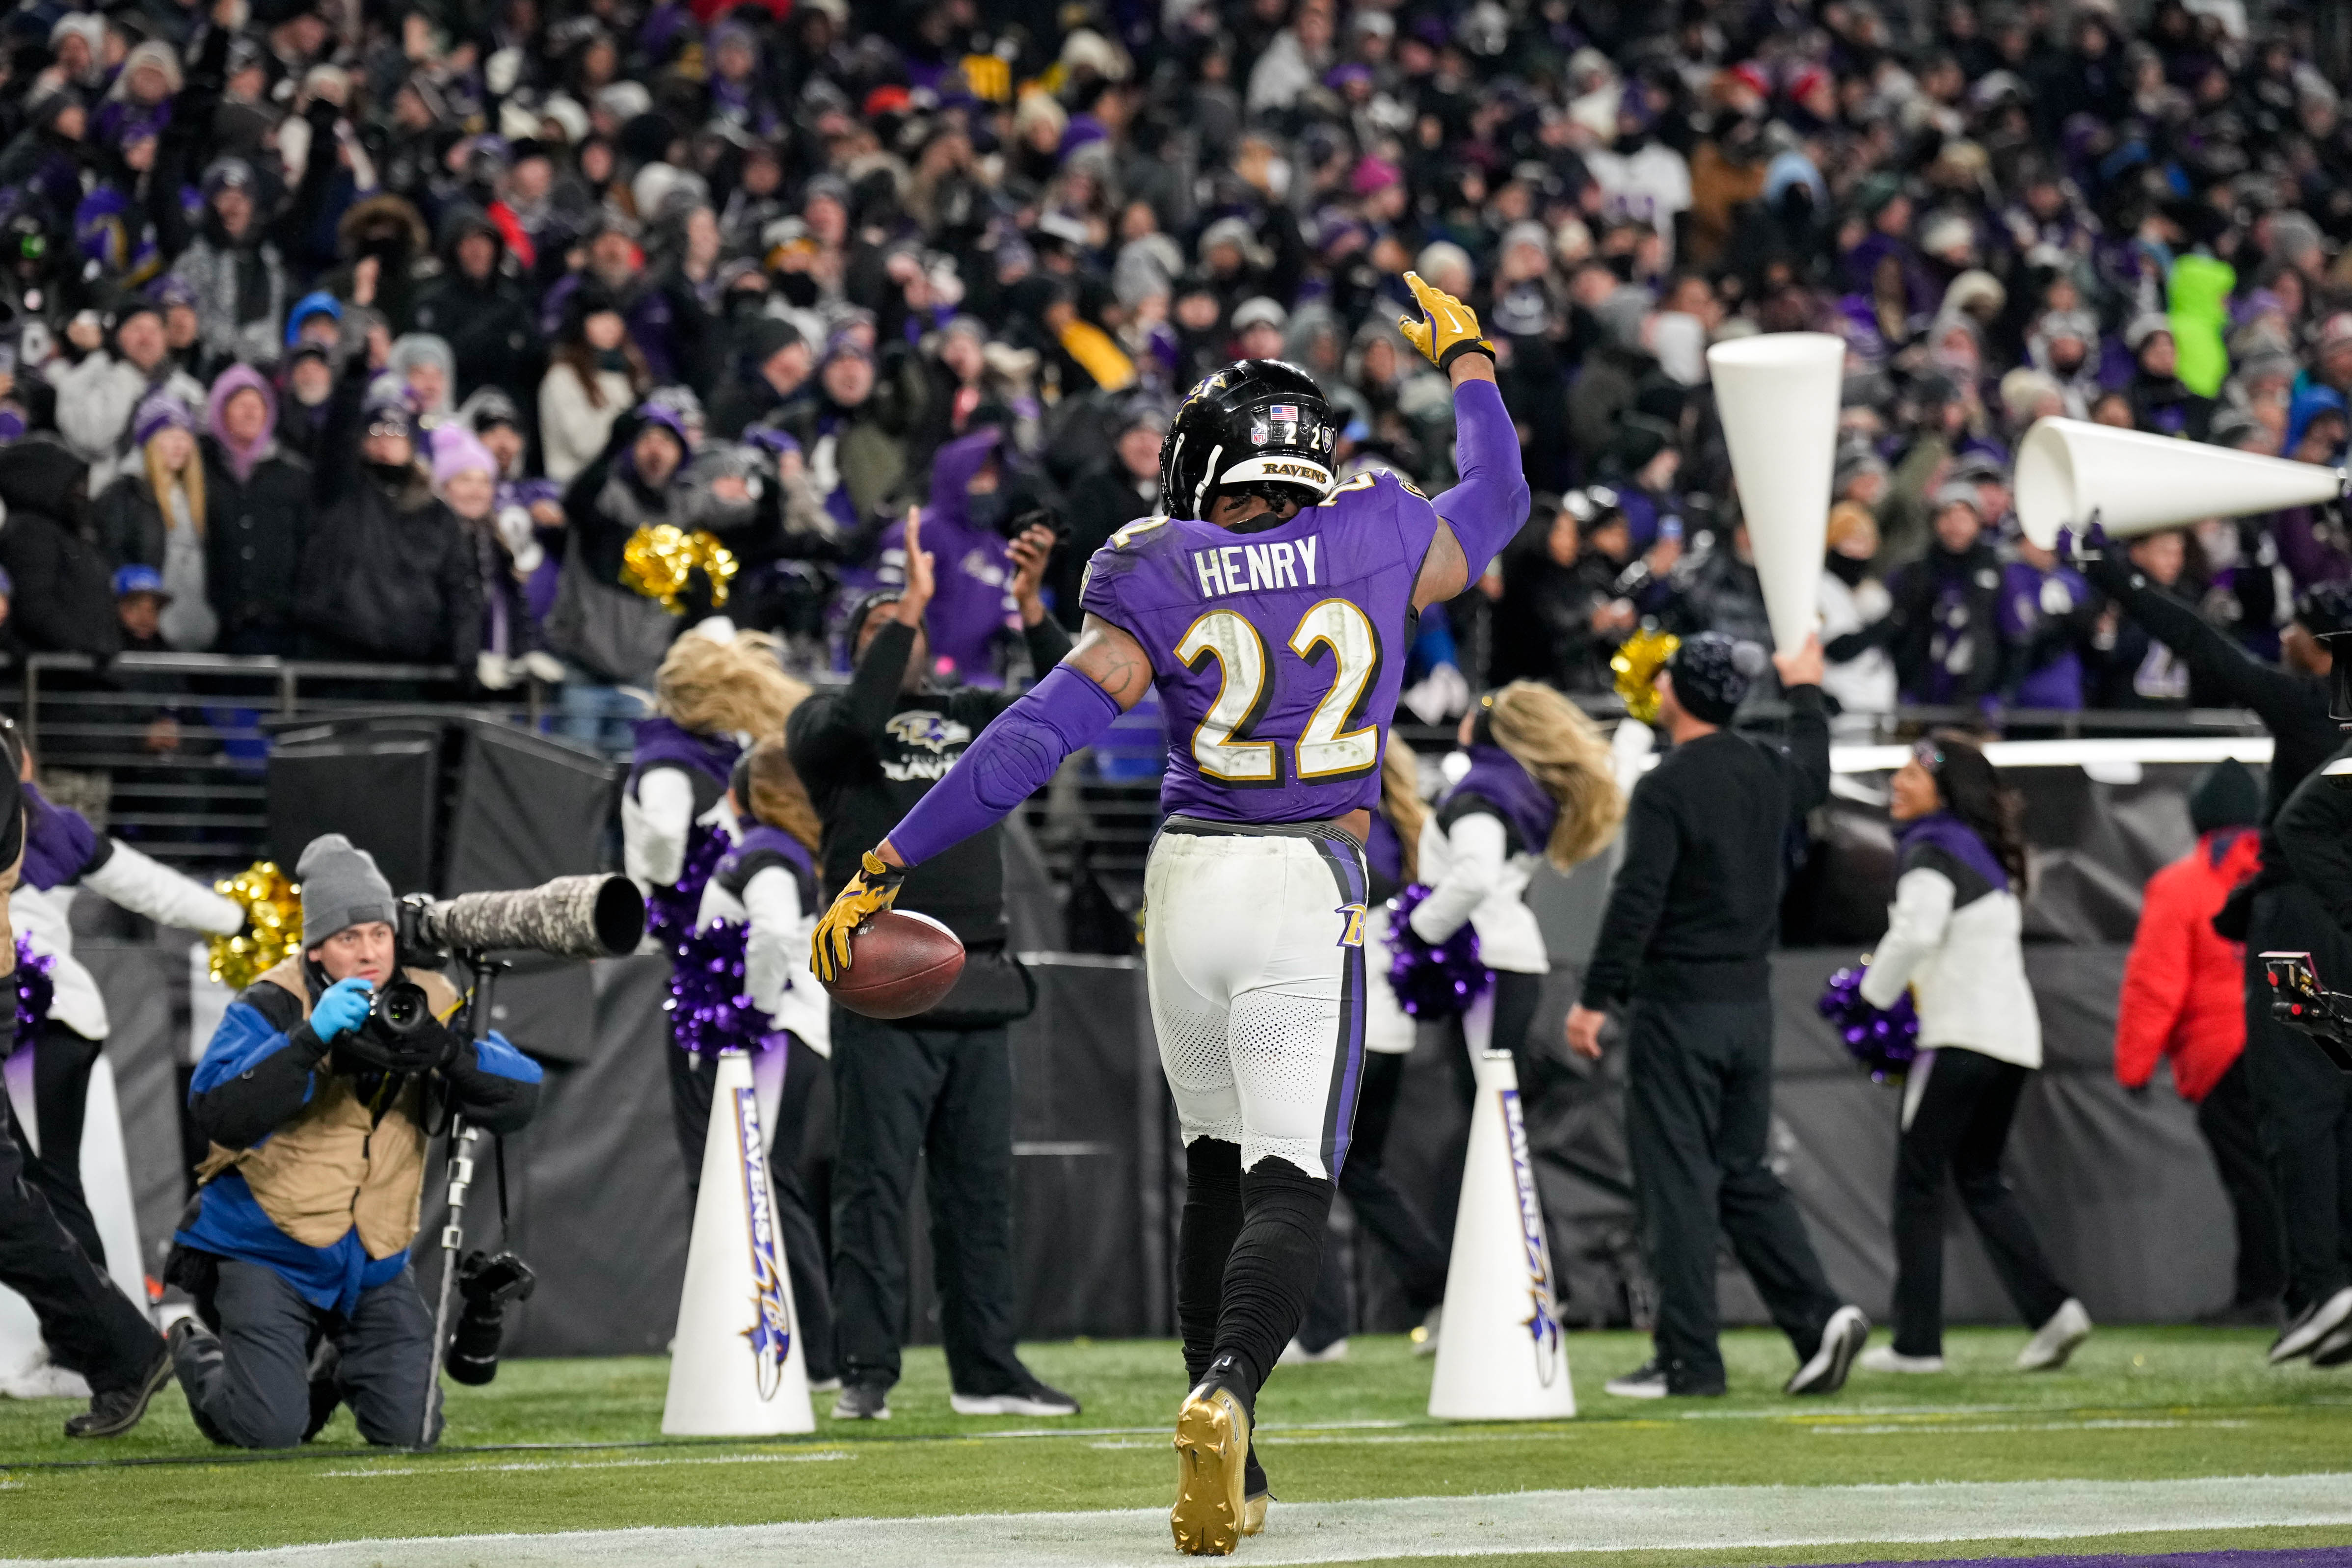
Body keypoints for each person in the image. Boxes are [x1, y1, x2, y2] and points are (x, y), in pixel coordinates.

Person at [806, 272, 1530, 1554]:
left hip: (1187, 878)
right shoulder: (1378, 527)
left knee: (1209, 1160)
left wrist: (885, 860)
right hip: (1310, 877)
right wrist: (1470, 360)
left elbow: (1037, 736)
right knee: (1290, 1177)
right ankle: (1230, 1389)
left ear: (1206, 465)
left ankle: (1236, 1467)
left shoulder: (1156, 563)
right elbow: (1504, 502)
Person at [785, 506, 1073, 1425]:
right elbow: (858, 712)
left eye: (908, 624)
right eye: (879, 629)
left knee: (980, 1194)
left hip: (979, 981)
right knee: (872, 1187)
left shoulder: (971, 715)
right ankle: (865, 1369)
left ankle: (986, 1371)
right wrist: (908, 603)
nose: (899, 635)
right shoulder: (826, 725)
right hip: (879, 989)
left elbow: (1067, 705)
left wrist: (1031, 608)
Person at [1567, 630, 1871, 1401]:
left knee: (1678, 1183)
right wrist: (1805, 689)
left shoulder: (1670, 784)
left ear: (1677, 692)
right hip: (1751, 1007)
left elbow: (1638, 898)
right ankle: (1821, 1317)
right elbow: (1815, 772)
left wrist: (1595, 996)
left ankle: (1690, 1360)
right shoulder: (1768, 769)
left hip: (1679, 1008)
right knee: (1744, 1174)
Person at [2070, 530, 2351, 1363]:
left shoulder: (2306, 705)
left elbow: (2197, 642)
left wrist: (2113, 575)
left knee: (2294, 1104)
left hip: (2298, 924)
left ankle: (2319, 1289)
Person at [166, 833, 544, 1449]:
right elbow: (218, 1112)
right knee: (267, 1433)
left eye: (380, 933)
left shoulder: (429, 1000)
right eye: (348, 938)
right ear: (316, 949)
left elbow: (522, 1096)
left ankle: (334, 1370)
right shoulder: (272, 1002)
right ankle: (191, 1352)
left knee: (412, 1432)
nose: (369, 952)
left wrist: (451, 1052)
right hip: (268, 1247)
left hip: (373, 1257)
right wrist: (309, 1039)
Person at [1857, 734, 2090, 1374]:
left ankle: (1916, 1344)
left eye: (1913, 771)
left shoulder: (1932, 846)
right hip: (2012, 1040)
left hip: (1957, 1037)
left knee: (1918, 1182)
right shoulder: (1981, 850)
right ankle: (2053, 1308)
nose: (1898, 780)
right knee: (1980, 1177)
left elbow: (1917, 931)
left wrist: (1872, 994)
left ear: (1944, 789)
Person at [0, 755, 175, 1439]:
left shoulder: (24, 802)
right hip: (31, 1008)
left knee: (17, 1205)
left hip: (36, 1012)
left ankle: (122, 1351)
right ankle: (122, 1351)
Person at [621, 630, 805, 1207]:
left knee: (719, 1153)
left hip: (713, 965)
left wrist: (655, 899)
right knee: (758, 1155)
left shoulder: (665, 766)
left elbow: (663, 839)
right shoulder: (729, 755)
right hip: (757, 954)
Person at [1285, 738, 1451, 1363]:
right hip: (1392, 1030)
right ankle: (1434, 1285)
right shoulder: (1415, 828)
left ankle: (1322, 1328)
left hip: (1346, 1023)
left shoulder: (1350, 826)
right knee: (1360, 1176)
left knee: (1301, 1171)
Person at [681, 738, 837, 1390]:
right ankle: (792, 1343)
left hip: (777, 1037)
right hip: (782, 1035)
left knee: (769, 1189)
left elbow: (773, 934)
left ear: (747, 794)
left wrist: (755, 1012)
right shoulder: (781, 848)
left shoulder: (769, 852)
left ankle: (818, 1356)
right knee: (766, 1189)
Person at [2115, 757, 2285, 1325]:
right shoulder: (2293, 870)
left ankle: (2263, 1295)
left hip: (2223, 1051)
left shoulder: (2181, 885)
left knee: (2252, 1182)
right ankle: (2313, 1292)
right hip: (2299, 1041)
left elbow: (2156, 982)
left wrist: (2135, 1065)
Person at [1412, 683, 1626, 1099]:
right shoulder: (1515, 788)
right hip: (1501, 961)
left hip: (1489, 965)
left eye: (1477, 711)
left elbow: (1475, 877)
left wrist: (1419, 930)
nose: (1466, 719)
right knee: (1492, 1105)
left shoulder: (1484, 793)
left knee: (1489, 1109)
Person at [96, 390, 217, 650]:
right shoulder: (124, 494)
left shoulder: (198, 498)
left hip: (197, 629)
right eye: (170, 435)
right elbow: (112, 556)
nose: (179, 444)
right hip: (145, 631)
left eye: (185, 436)